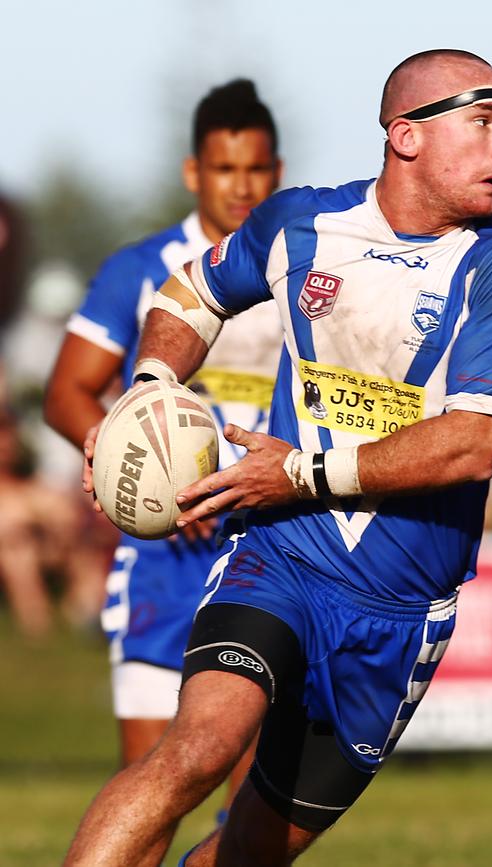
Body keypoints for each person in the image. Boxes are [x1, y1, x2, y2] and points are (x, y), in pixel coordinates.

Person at [64, 49, 492, 867]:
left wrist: (298, 469)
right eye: (483, 122)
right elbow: (191, 293)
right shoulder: (303, 225)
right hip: (280, 557)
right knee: (197, 748)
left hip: (400, 615)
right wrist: (147, 387)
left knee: (249, 854)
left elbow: (475, 443)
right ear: (405, 136)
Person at [44, 79, 283, 819]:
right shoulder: (141, 269)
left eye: (256, 170)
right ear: (194, 173)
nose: (241, 187)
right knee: (152, 785)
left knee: (251, 797)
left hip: (268, 550)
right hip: (161, 559)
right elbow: (67, 393)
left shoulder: (300, 275)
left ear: (277, 172)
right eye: (224, 170)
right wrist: (137, 467)